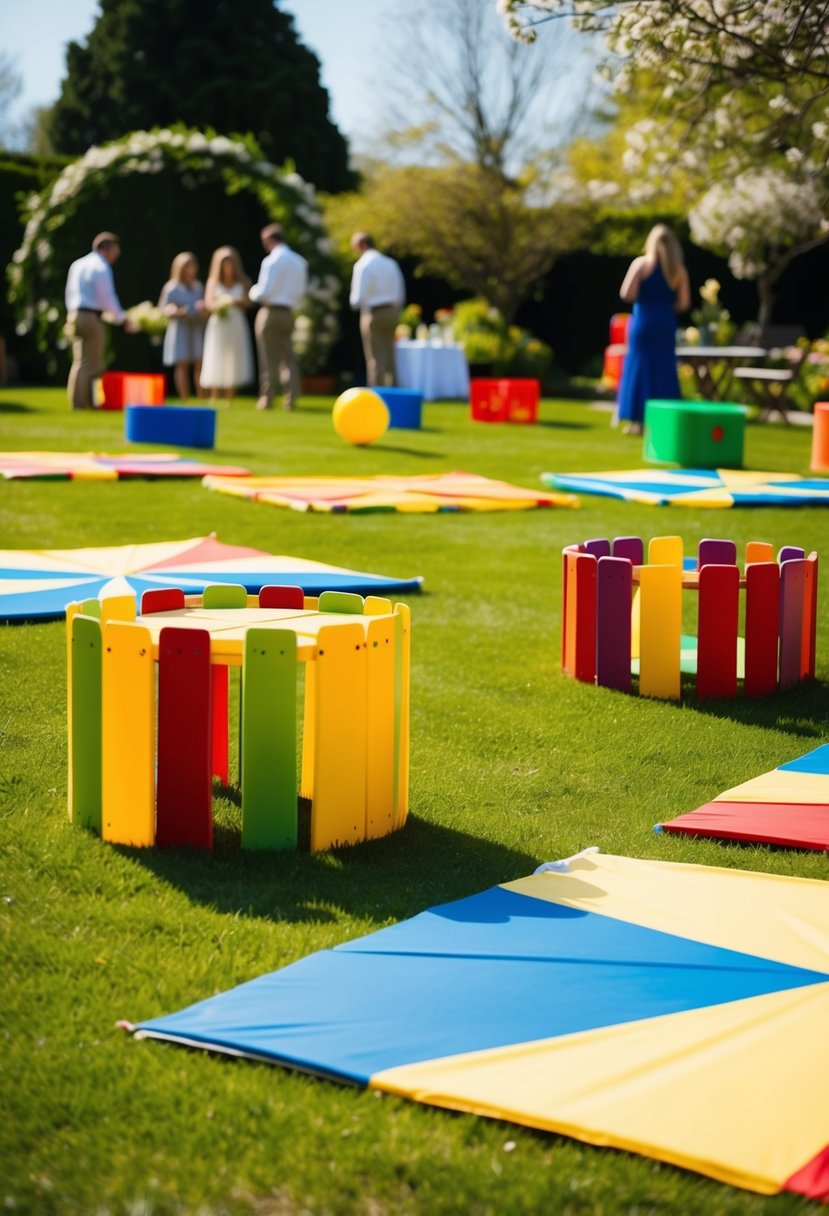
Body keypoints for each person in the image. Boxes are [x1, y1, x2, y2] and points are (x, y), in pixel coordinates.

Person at [616, 223, 690, 435]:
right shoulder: (678, 271)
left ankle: (636, 421)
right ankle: (664, 420)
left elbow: (626, 294)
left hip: (644, 321)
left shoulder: (641, 264)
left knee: (640, 367)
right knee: (664, 369)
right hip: (665, 323)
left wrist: (647, 298)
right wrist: (664, 304)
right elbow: (683, 303)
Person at [64, 232, 131, 409]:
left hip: (74, 315)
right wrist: (122, 319)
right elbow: (107, 298)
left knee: (80, 361)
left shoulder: (78, 264)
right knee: (94, 364)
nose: (115, 256)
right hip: (91, 317)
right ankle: (90, 403)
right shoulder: (101, 267)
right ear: (106, 249)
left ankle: (77, 402)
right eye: (115, 251)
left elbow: (69, 293)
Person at [249, 223, 308, 411]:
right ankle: (291, 399)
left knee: (268, 357)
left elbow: (264, 292)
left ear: (269, 240)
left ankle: (267, 398)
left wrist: (252, 292)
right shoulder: (300, 262)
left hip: (271, 312)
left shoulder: (272, 261)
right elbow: (301, 293)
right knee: (288, 357)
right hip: (289, 313)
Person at [349, 231, 405, 387]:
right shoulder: (390, 263)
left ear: (361, 245)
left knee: (375, 357)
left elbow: (357, 298)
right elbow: (400, 293)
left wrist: (355, 304)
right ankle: (394, 392)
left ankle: (377, 394)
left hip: (373, 313)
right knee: (389, 354)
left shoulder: (363, 265)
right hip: (391, 311)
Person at [200, 245, 254, 405]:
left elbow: (248, 302)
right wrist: (220, 303)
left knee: (234, 355)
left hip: (236, 323)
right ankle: (214, 394)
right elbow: (208, 304)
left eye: (230, 262)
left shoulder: (243, 282)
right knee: (216, 354)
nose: (227, 266)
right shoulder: (213, 282)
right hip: (219, 324)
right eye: (224, 262)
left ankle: (231, 394)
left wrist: (234, 301)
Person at [158, 252, 206, 401]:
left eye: (192, 265)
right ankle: (185, 399)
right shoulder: (171, 288)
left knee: (199, 363)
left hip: (196, 327)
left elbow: (205, 306)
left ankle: (201, 398)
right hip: (180, 329)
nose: (190, 269)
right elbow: (162, 309)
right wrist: (175, 311)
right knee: (183, 365)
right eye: (187, 266)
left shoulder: (198, 287)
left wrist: (202, 309)